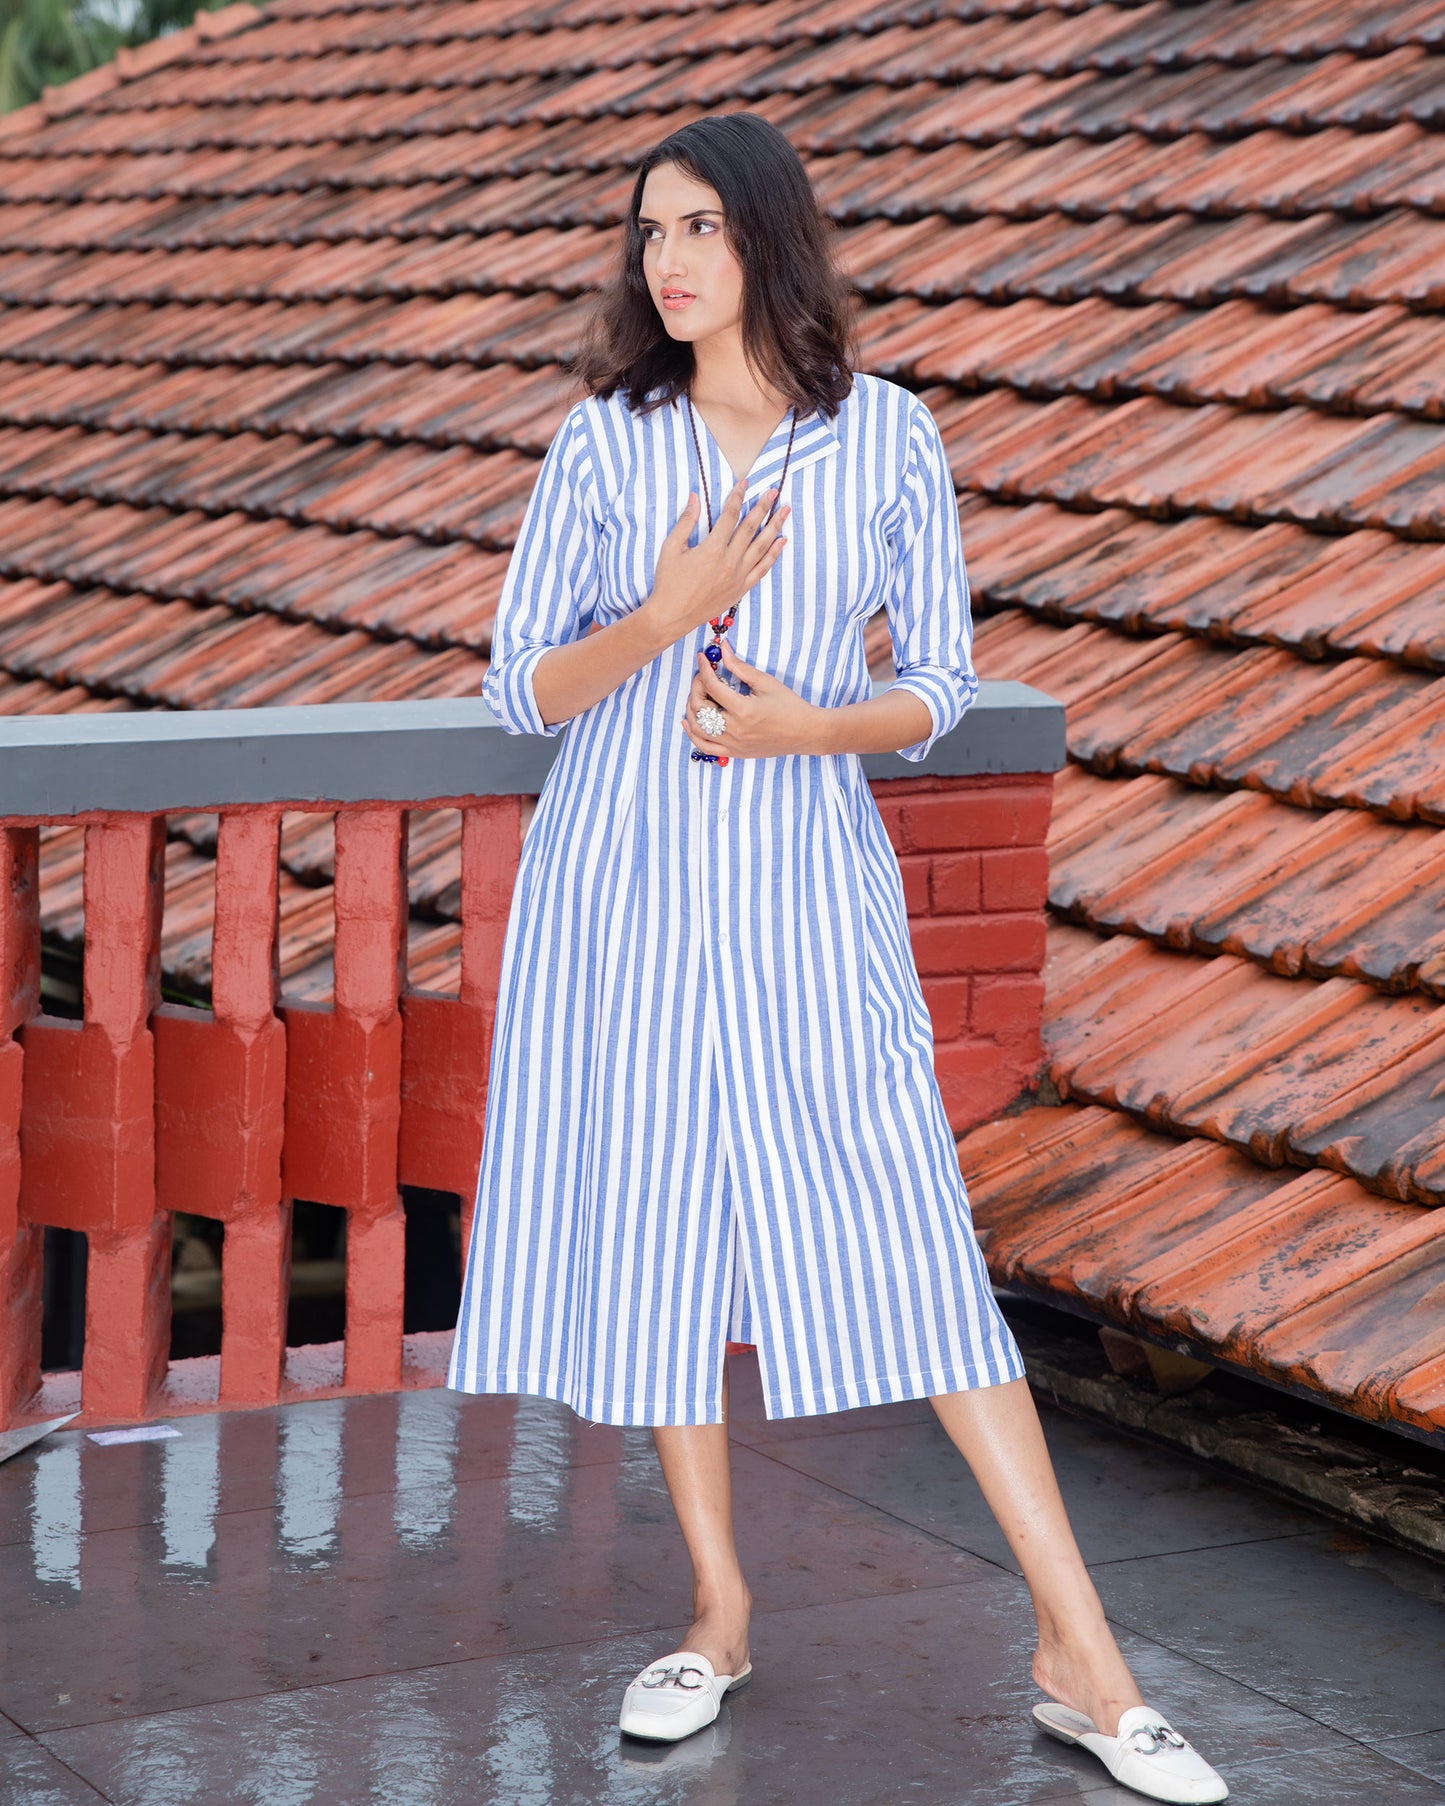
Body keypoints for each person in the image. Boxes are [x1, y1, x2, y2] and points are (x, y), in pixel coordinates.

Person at [446, 112, 1228, 1806]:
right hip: (624, 883)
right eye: (650, 229)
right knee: (652, 1228)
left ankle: (1078, 1651)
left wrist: (813, 725)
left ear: (771, 243)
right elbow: (518, 689)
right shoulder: (605, 442)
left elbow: (941, 684)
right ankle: (717, 1612)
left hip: (807, 881)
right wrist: (656, 622)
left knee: (909, 1240)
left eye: (704, 229)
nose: (668, 259)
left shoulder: (883, 439)